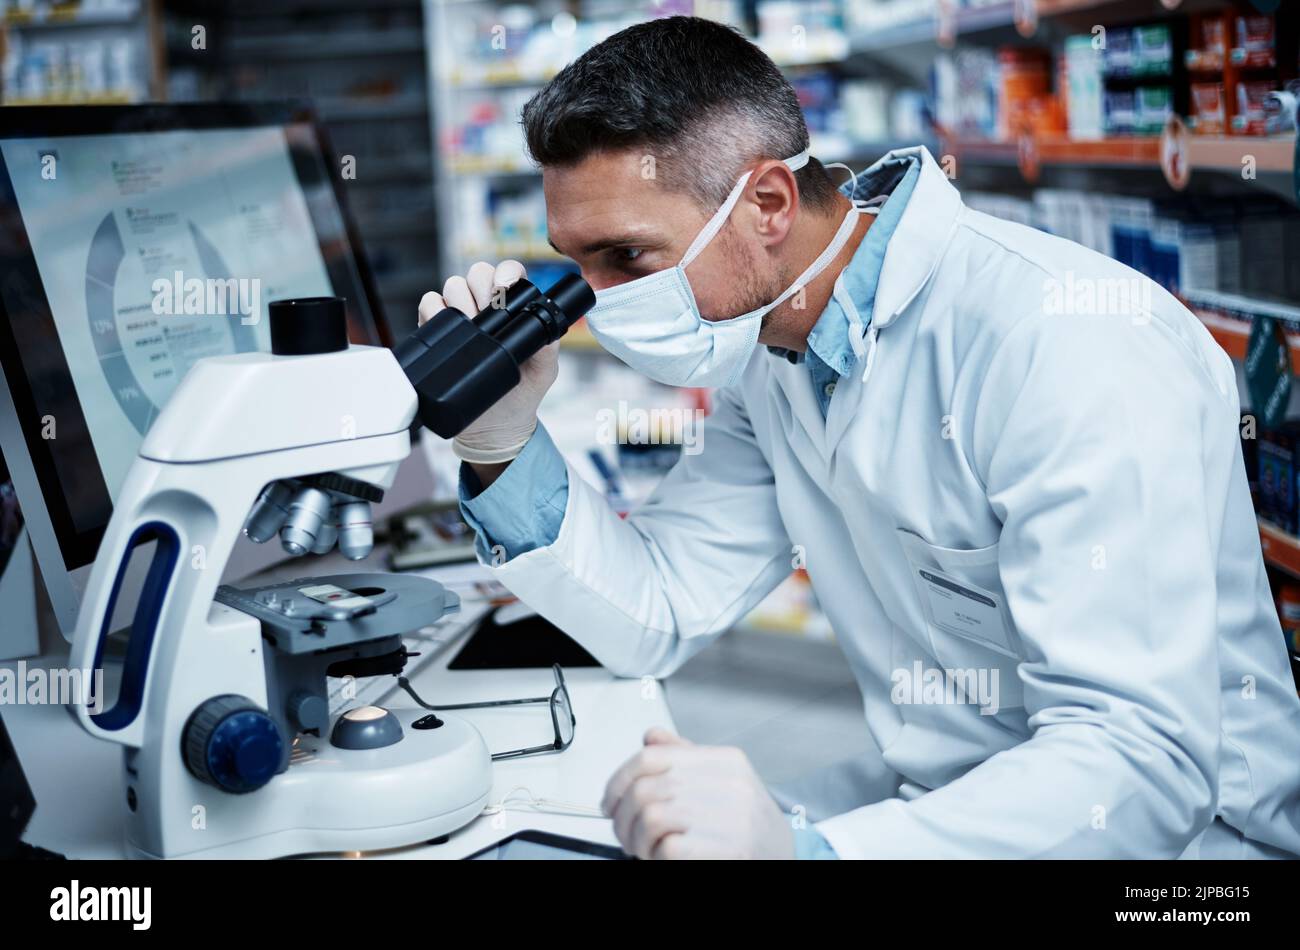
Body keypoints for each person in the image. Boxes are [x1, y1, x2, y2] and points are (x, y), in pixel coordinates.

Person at [420, 16, 1300, 859]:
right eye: (573, 265)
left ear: (766, 202)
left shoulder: (1062, 342)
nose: (596, 300)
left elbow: (1144, 764)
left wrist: (818, 853)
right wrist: (501, 442)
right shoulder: (772, 356)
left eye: (626, 260)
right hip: (949, 802)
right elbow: (663, 606)